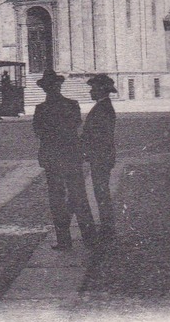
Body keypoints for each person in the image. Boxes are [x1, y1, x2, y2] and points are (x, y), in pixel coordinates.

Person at [33, 69, 96, 251]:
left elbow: (39, 132)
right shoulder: (72, 104)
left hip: (52, 156)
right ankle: (89, 237)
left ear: (46, 89)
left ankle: (64, 240)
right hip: (70, 155)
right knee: (78, 195)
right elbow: (76, 124)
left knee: (57, 198)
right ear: (57, 87)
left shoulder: (41, 109)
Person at [82, 74, 118, 242]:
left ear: (100, 90)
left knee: (101, 190)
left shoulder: (102, 108)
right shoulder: (103, 106)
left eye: (93, 89)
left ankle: (108, 226)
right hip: (101, 155)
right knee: (101, 190)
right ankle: (106, 224)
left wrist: (84, 147)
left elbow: (98, 135)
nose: (90, 92)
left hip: (101, 155)